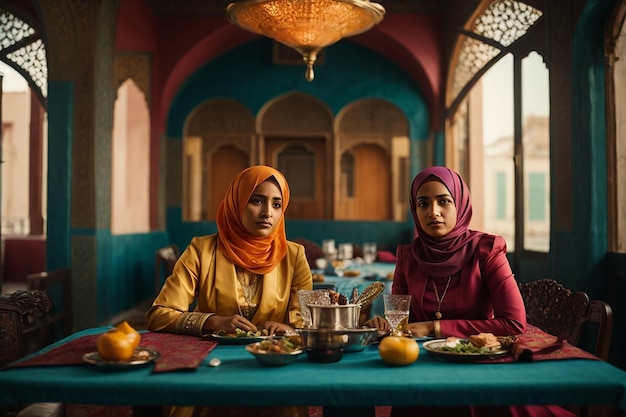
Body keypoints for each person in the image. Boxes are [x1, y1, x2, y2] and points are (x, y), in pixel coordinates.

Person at [366, 166, 576, 417]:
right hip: (423, 370)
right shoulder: (408, 257)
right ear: (415, 209)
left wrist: (434, 328)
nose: (433, 212)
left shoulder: (487, 250)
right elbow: (401, 322)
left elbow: (513, 324)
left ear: (460, 204)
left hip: (481, 367)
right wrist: (384, 326)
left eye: (444, 201)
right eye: (423, 204)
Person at [147, 165, 312, 417]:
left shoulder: (294, 256)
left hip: (272, 367)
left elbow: (308, 326)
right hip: (210, 367)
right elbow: (159, 315)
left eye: (277, 204)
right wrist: (212, 321)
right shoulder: (201, 251)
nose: (267, 212)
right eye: (256, 201)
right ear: (237, 202)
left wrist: (288, 329)